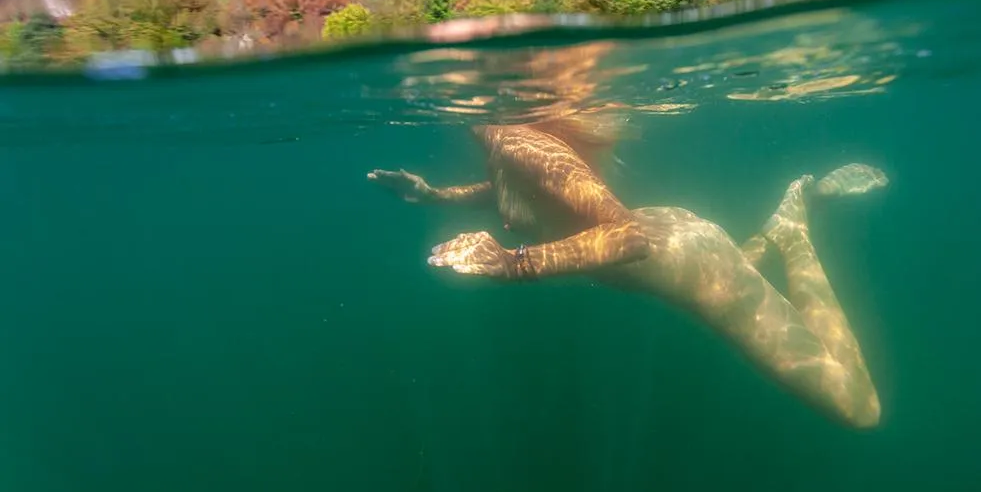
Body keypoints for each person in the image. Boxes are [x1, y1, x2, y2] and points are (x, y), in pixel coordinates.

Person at [368, 115, 889, 430]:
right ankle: (763, 243)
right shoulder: (504, 144)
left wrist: (513, 263)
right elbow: (516, 200)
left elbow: (627, 237)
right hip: (675, 246)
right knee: (739, 273)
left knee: (858, 406)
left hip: (680, 259)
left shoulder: (531, 146)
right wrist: (433, 196)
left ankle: (792, 230)